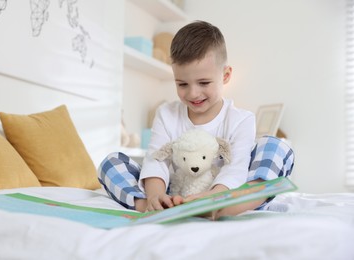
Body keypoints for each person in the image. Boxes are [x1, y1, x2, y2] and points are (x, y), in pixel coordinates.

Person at [99, 20, 294, 218]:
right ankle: (151, 206)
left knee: (276, 147)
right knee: (111, 163)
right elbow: (156, 160)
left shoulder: (241, 119)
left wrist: (212, 198)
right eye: (182, 84)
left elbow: (235, 169)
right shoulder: (166, 114)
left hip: (225, 197)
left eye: (204, 82)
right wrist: (156, 196)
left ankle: (217, 210)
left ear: (225, 76)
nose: (193, 93)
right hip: (176, 196)